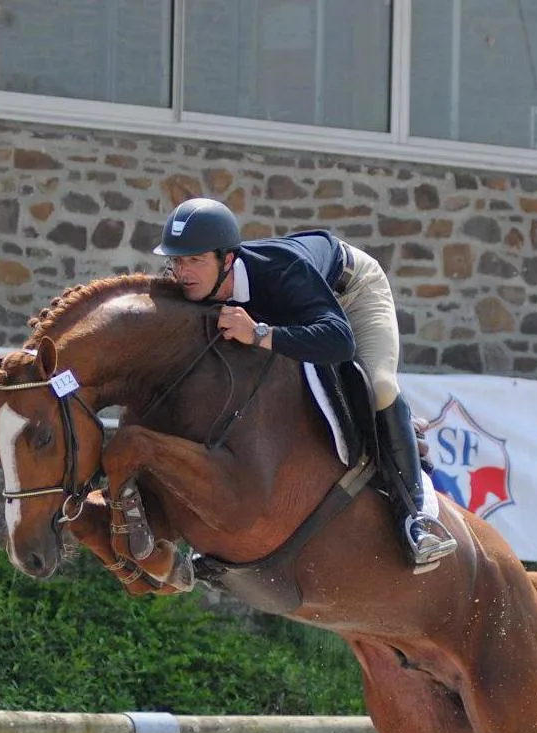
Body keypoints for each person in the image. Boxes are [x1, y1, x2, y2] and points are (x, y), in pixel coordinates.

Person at [151, 197, 455, 573]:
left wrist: (259, 332)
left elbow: (338, 341)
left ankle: (416, 516)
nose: (183, 272)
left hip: (353, 292)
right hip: (300, 307)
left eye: (195, 260)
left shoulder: (279, 271)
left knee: (378, 384)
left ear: (227, 260)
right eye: (178, 260)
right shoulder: (189, 289)